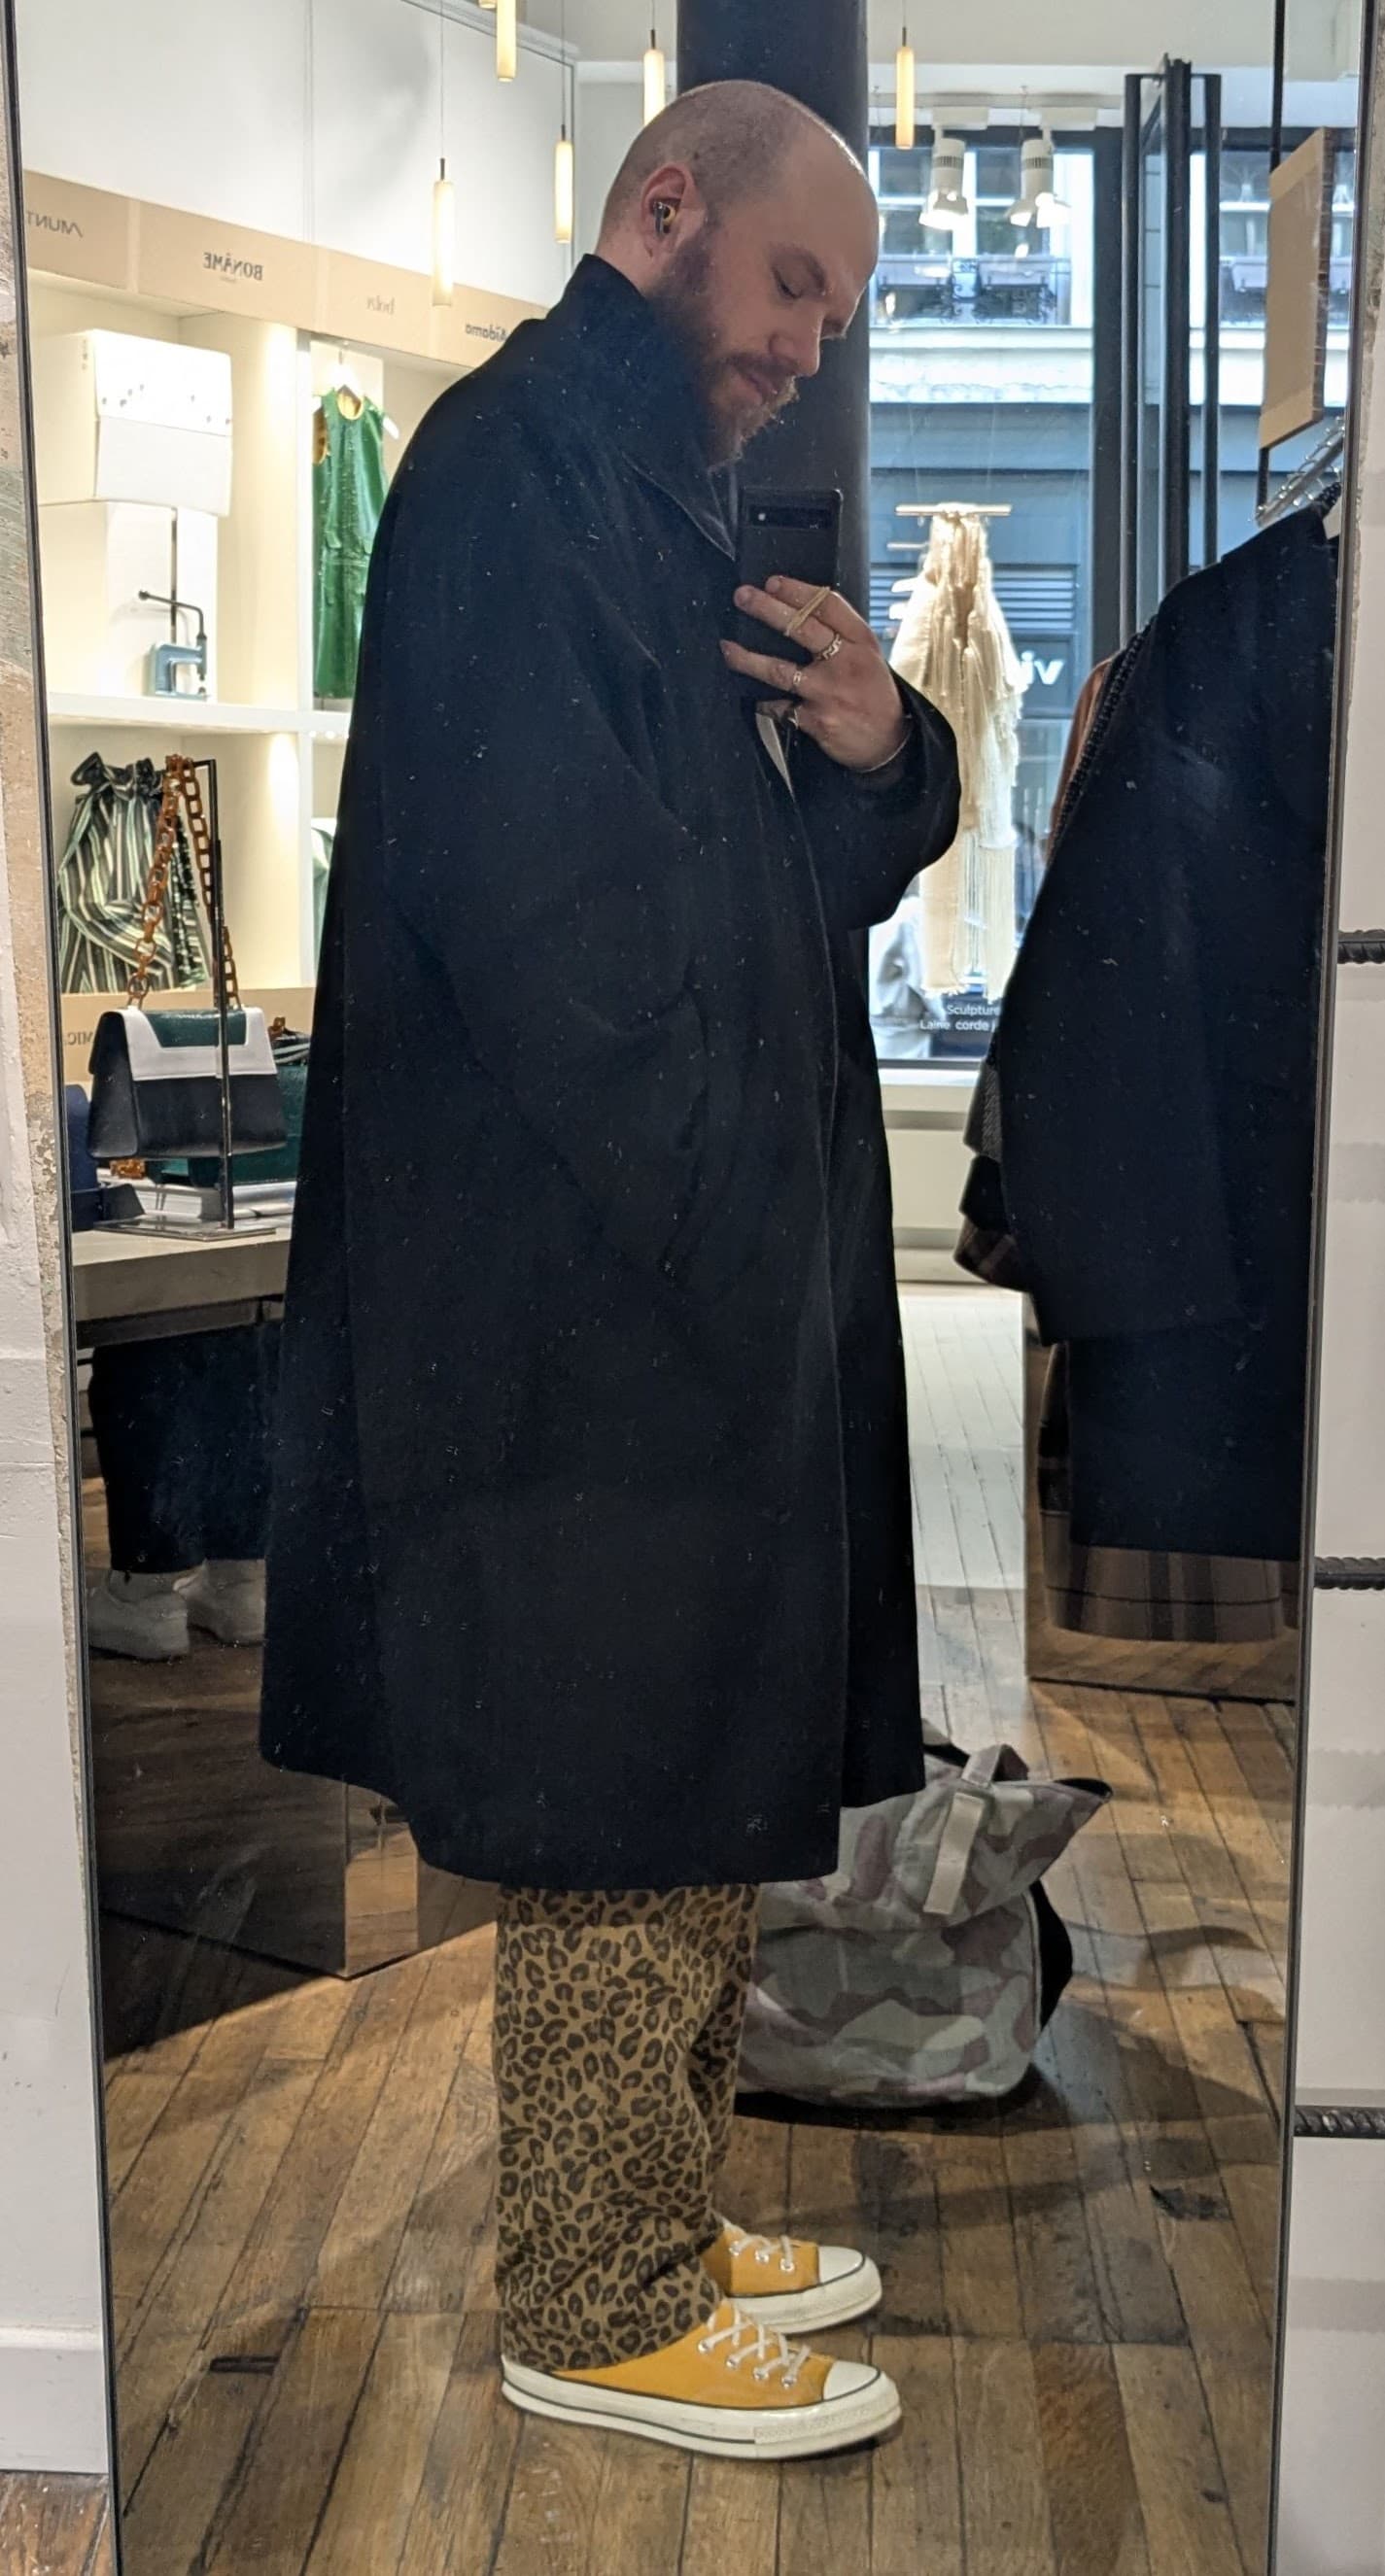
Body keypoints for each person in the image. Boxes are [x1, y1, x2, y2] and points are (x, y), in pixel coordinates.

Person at [261, 81, 959, 2460]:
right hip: (592, 1323)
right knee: (620, 1789)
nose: (805, 347)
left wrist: (879, 749)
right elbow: (555, 938)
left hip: (675, 1293)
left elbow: (756, 901)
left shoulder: (642, 496)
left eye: (834, 316)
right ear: (664, 210)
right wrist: (720, 1223)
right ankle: (593, 2289)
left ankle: (655, 2206)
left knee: (693, 1779)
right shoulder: (509, 481)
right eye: (791, 287)